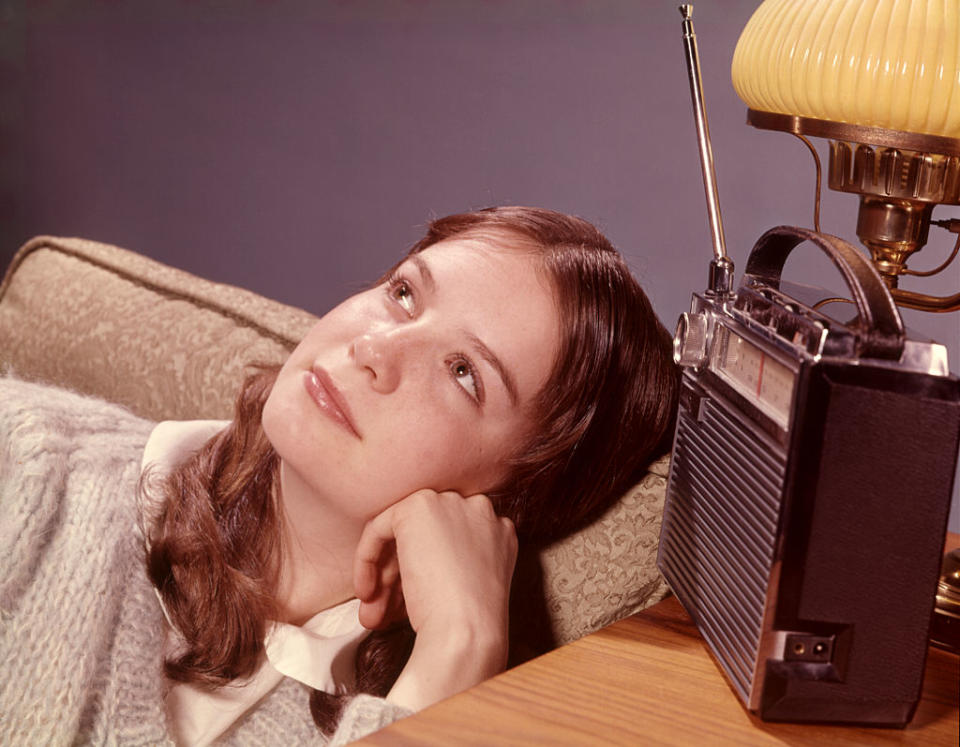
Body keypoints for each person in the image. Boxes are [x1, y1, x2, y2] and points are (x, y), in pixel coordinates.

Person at [0, 206, 678, 745]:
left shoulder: (435, 701)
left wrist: (459, 646)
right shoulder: (28, 461)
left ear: (510, 500)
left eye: (463, 372)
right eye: (405, 293)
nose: (375, 347)